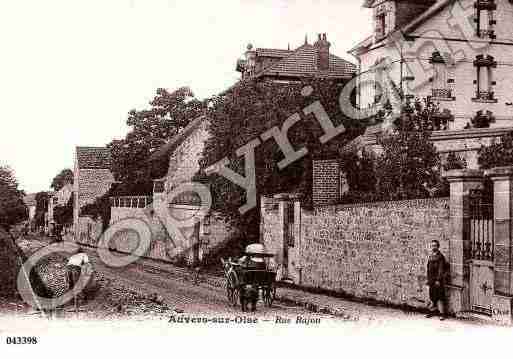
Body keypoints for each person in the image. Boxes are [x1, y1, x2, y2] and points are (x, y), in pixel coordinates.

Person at [426, 240, 448, 320]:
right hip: (431, 280)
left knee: (440, 297)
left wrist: (438, 280)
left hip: (438, 280)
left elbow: (441, 269)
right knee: (432, 296)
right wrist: (428, 279)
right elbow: (428, 268)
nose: (433, 247)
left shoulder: (440, 257)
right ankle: (432, 311)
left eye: (435, 245)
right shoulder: (430, 256)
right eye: (432, 246)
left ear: (438, 246)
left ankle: (442, 314)